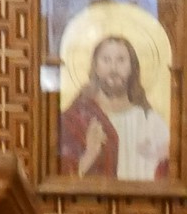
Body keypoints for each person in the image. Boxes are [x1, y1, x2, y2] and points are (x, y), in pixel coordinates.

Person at [59, 32, 170, 181]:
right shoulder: (76, 119)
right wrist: (91, 153)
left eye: (121, 60)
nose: (113, 68)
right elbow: (61, 178)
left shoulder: (151, 122)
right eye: (106, 60)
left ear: (132, 68)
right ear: (95, 67)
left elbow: (168, 177)